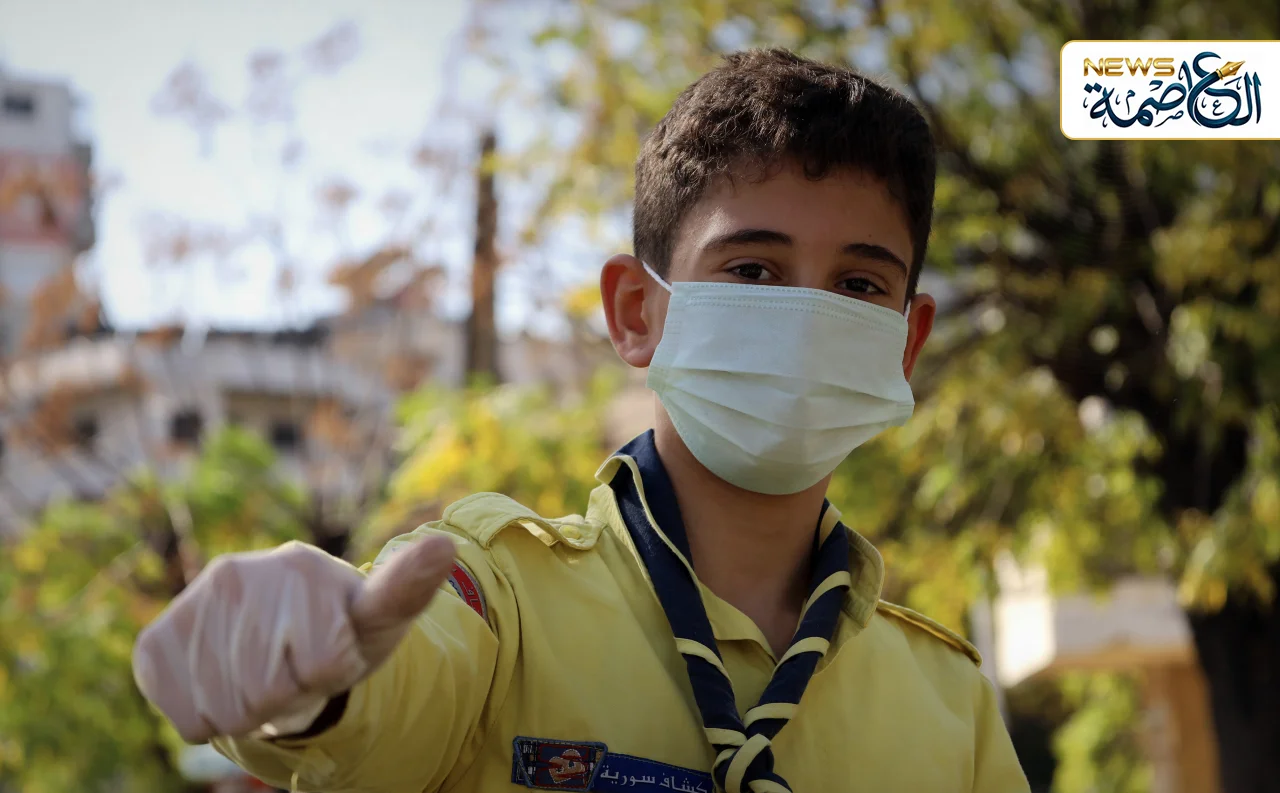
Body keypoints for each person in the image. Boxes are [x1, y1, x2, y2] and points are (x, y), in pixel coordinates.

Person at [132, 48, 1030, 793]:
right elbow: (391, 687)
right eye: (752, 270)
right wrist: (312, 682)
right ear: (636, 310)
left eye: (858, 285)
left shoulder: (953, 707)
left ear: (906, 342)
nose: (805, 320)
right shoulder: (502, 602)